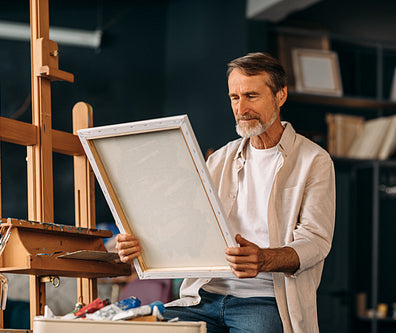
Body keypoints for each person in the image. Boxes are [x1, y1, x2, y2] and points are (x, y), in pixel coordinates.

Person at [115, 52, 335, 333]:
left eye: (251, 96)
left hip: (265, 300)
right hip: (202, 296)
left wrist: (265, 259)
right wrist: (142, 245)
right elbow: (190, 228)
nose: (241, 108)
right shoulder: (217, 160)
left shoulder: (314, 160)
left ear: (280, 96)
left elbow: (316, 241)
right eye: (234, 97)